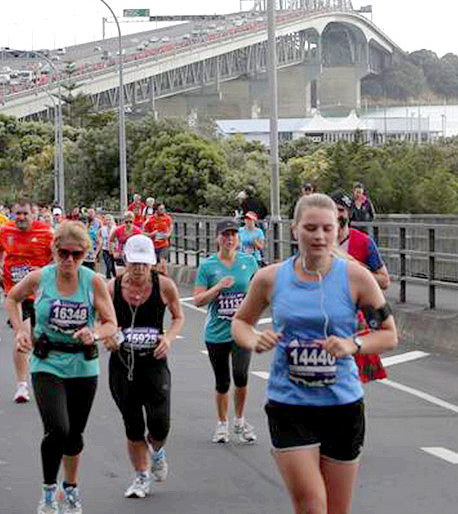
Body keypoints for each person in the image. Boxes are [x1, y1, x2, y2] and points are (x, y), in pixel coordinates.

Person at [231, 193, 399, 514]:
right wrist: (254, 340)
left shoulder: (356, 276)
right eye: (310, 228)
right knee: (311, 506)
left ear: (338, 229)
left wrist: (353, 345)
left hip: (343, 405)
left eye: (327, 228)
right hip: (289, 404)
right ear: (295, 230)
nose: (319, 236)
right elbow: (241, 322)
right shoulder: (270, 277)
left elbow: (388, 334)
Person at [6, 221, 118, 514]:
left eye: (77, 254)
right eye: (63, 253)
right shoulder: (39, 278)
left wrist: (93, 333)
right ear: (54, 250)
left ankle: (71, 487)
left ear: (85, 254)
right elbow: (12, 298)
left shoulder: (92, 281)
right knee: (58, 428)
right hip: (47, 362)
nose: (69, 260)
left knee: (75, 434)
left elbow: (111, 324)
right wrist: (20, 330)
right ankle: (48, 491)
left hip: (83, 364)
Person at [102, 235, 185, 499]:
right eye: (134, 263)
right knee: (133, 426)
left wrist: (169, 338)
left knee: (160, 425)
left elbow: (178, 316)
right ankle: (141, 477)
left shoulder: (164, 286)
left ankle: (157, 452)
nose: (139, 270)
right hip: (122, 366)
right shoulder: (111, 288)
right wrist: (109, 336)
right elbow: (100, 320)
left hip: (154, 364)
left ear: (152, 264)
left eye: (144, 264)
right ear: (125, 261)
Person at [194, 219, 259, 444]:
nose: (229, 239)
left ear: (238, 238)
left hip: (241, 331)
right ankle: (222, 424)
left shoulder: (249, 262)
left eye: (233, 234)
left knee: (241, 377)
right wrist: (218, 287)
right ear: (217, 239)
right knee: (222, 381)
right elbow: (198, 300)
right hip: (216, 332)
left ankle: (240, 420)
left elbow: (259, 291)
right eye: (225, 235)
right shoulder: (207, 266)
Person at [0, 199, 55, 403]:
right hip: (16, 295)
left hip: (41, 294)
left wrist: (48, 272)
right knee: (22, 334)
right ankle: (21, 386)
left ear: (33, 214)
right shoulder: (5, 231)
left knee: (38, 340)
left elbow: (58, 257)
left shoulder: (46, 233)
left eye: (24, 214)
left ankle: (40, 373)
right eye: (17, 214)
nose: (20, 218)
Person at [331, 191, 390, 383]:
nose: (337, 214)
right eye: (333, 210)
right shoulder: (318, 242)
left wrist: (359, 272)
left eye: (341, 210)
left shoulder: (364, 242)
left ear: (348, 213)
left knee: (352, 384)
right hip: (324, 319)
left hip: (354, 322)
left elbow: (384, 281)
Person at [144, 203, 173, 275]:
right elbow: (142, 232)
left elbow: (171, 225)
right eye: (161, 209)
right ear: (156, 210)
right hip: (153, 246)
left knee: (163, 264)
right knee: (154, 267)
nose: (163, 211)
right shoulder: (150, 220)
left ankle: (165, 279)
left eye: (163, 209)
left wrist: (169, 234)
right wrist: (151, 234)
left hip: (164, 245)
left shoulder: (167, 218)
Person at [100, 215, 118, 279]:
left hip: (113, 249)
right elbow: (100, 237)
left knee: (112, 265)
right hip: (105, 249)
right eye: (107, 220)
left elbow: (117, 239)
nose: (108, 221)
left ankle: (115, 276)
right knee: (108, 265)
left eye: (109, 220)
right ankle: (108, 277)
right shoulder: (103, 229)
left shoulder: (115, 228)